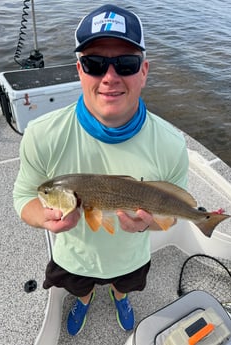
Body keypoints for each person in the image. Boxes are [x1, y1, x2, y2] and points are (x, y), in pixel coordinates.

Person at [13, 4, 189, 337]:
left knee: (125, 284)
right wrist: (44, 216)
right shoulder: (41, 134)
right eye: (95, 64)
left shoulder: (171, 144)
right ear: (79, 69)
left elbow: (173, 209)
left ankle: (120, 298)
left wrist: (153, 222)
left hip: (132, 256)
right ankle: (84, 298)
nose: (110, 77)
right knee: (79, 285)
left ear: (144, 71)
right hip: (74, 256)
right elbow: (24, 195)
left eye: (125, 63)